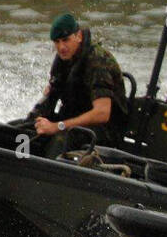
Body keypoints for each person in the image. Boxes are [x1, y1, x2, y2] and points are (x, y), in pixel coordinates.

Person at [27, 12, 128, 157]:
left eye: (66, 40)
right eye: (57, 42)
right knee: (25, 130)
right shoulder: (64, 59)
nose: (61, 47)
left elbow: (102, 114)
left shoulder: (97, 61)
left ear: (78, 36)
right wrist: (35, 119)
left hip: (104, 131)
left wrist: (57, 126)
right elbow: (53, 94)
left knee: (60, 140)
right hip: (74, 121)